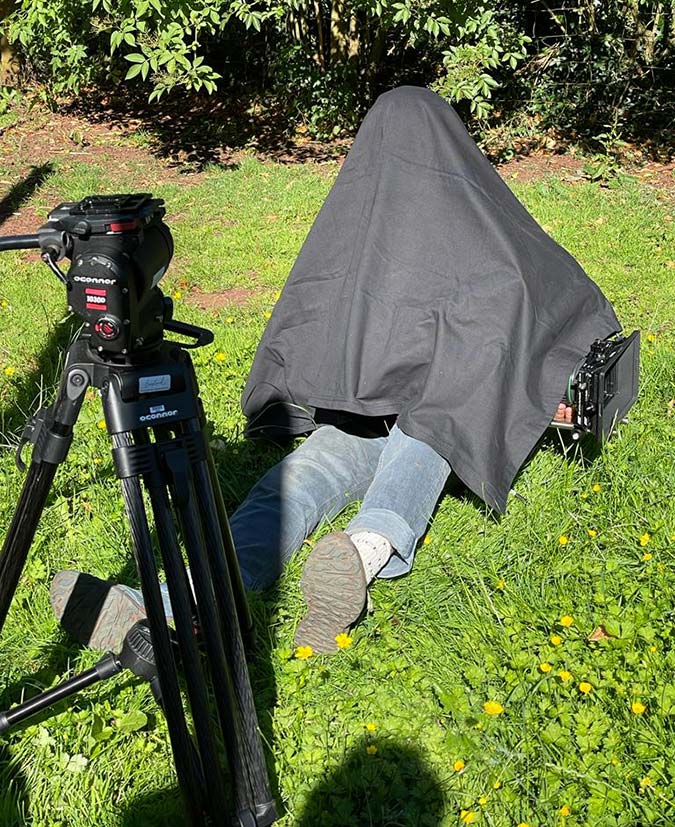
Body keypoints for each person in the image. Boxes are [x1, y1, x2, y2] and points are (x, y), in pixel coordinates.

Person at [50, 87, 620, 654]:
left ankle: (351, 563)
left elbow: (313, 310)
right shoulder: (480, 229)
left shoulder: (357, 228)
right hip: (396, 412)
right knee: (315, 474)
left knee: (362, 460)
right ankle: (172, 608)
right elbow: (549, 298)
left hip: (406, 415)